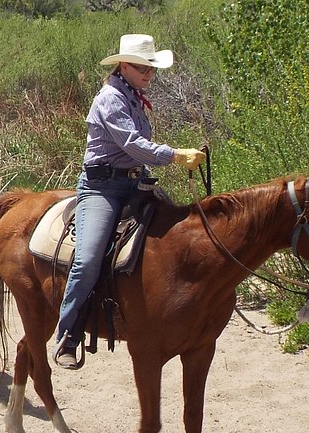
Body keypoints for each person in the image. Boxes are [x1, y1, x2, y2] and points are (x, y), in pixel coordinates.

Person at [52, 34, 206, 370]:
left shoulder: (134, 97)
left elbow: (136, 153)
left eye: (150, 67)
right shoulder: (111, 98)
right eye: (141, 67)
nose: (148, 73)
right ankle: (68, 333)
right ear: (124, 66)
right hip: (102, 188)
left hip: (133, 183)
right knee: (89, 257)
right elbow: (132, 144)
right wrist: (176, 155)